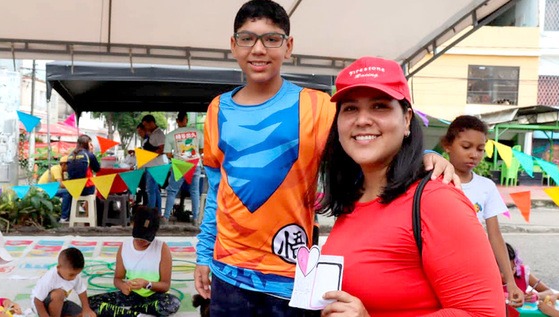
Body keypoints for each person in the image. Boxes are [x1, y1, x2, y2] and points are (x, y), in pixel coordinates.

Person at [194, 1, 457, 315]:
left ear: (288, 46)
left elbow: (368, 138)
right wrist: (203, 254)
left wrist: (424, 154)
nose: (259, 49)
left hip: (290, 277)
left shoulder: (318, 106)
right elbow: (216, 191)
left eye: (272, 39)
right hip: (228, 274)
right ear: (233, 45)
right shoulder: (217, 109)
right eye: (247, 38)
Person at [317, 56, 503, 316]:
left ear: (406, 120)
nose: (362, 120)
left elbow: (484, 313)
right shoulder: (354, 198)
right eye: (350, 108)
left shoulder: (436, 199)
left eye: (379, 106)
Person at [442, 115, 526, 307]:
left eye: (480, 149)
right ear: (447, 145)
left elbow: (494, 235)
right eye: (466, 147)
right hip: (439, 267)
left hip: (473, 268)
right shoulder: (434, 180)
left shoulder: (486, 186)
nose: (474, 154)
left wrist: (511, 282)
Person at [88, 206, 180, 317]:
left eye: (146, 239)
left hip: (154, 296)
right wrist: (123, 286)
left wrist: (147, 284)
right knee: (90, 302)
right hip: (131, 294)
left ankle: (130, 312)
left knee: (172, 303)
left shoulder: (162, 248)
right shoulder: (125, 246)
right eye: (138, 237)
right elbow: (118, 278)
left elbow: (165, 285)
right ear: (133, 226)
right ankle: (137, 315)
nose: (141, 241)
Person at [163, 111, 204, 224]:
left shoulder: (171, 135)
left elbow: (167, 153)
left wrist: (176, 157)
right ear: (186, 119)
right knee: (194, 192)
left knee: (172, 191)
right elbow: (202, 149)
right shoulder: (198, 132)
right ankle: (196, 218)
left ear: (177, 121)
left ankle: (166, 217)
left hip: (179, 164)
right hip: (195, 163)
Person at [31, 247, 96, 317]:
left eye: (77, 274)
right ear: (59, 267)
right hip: (41, 306)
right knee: (59, 294)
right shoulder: (49, 279)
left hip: (60, 304)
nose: (74, 277)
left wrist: (86, 308)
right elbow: (37, 300)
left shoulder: (74, 276)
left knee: (82, 314)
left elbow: (81, 291)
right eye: (71, 275)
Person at [60, 135, 101, 223]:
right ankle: (89, 218)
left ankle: (67, 217)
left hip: (73, 188)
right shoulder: (89, 155)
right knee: (98, 191)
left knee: (69, 192)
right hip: (86, 189)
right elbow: (97, 169)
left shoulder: (71, 155)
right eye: (90, 144)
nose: (91, 146)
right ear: (86, 144)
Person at [141, 115, 166, 214]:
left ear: (151, 123)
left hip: (155, 166)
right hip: (152, 165)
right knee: (155, 191)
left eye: (146, 125)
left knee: (150, 190)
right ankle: (157, 213)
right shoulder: (152, 134)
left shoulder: (159, 134)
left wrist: (149, 155)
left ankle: (151, 214)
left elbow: (162, 149)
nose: (145, 128)